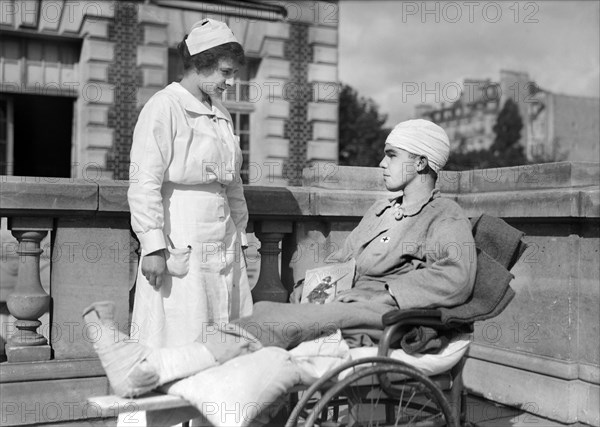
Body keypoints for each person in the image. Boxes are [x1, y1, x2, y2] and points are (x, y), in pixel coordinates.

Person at [88, 119, 477, 399]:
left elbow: (457, 276)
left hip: (383, 314)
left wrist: (388, 295)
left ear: (422, 163)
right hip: (347, 302)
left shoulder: (443, 216)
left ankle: (152, 366)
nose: (382, 163)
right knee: (270, 312)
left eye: (392, 155)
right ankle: (153, 370)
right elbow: (342, 257)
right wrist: (314, 284)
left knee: (274, 319)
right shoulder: (382, 210)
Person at [127, 18, 252, 350]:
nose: (230, 81)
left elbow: (233, 184)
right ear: (201, 65)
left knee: (224, 322)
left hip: (221, 233)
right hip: (182, 230)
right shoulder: (164, 107)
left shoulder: (222, 114)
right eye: (225, 72)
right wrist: (152, 245)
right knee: (182, 325)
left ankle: (215, 399)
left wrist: (240, 235)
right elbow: (144, 182)